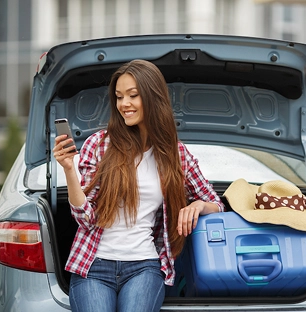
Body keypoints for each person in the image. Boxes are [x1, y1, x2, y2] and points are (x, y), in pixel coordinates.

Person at [53, 59, 224, 312]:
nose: (124, 104)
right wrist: (68, 169)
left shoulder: (175, 155)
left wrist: (198, 205)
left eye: (133, 95)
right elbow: (85, 218)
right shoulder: (99, 145)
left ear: (153, 97)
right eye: (119, 97)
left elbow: (217, 204)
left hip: (144, 266)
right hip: (93, 265)